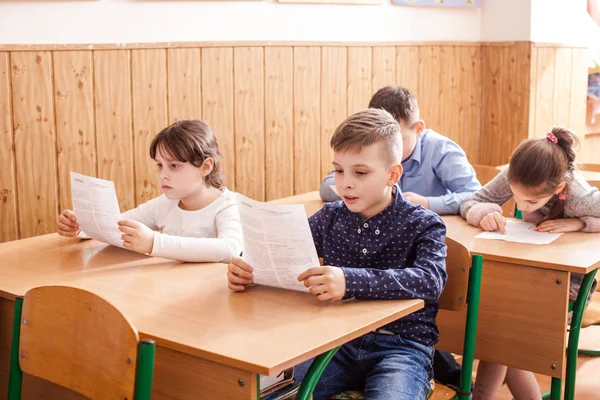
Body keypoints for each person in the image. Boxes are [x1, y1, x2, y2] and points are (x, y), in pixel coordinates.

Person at [228, 108, 448, 400]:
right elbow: (282, 248)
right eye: (338, 169)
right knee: (266, 393)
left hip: (401, 349)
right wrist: (248, 265)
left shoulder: (424, 224)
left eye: (360, 172)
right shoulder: (329, 217)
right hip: (333, 344)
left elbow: (430, 281)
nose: (345, 182)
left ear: (393, 174)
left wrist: (350, 281)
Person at [460, 126, 600, 400]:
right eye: (516, 196)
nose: (522, 207)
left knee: (500, 336)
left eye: (532, 200)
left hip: (566, 286)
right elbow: (470, 200)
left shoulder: (580, 195)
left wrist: (579, 222)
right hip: (521, 274)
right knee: (502, 338)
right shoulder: (516, 174)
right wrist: (483, 214)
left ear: (558, 189)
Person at [57, 119, 243, 263]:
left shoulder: (227, 206)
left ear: (205, 166)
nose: (163, 175)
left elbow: (229, 249)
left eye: (174, 166)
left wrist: (154, 243)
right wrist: (82, 226)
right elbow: (117, 225)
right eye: (160, 165)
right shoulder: (167, 202)